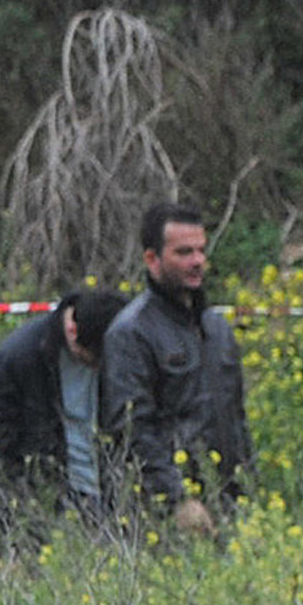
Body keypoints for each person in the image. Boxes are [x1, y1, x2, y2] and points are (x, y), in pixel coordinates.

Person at [101, 202, 247, 532]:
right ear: (152, 259)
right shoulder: (131, 332)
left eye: (200, 251)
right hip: (167, 514)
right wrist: (175, 498)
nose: (197, 262)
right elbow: (131, 429)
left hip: (227, 502)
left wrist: (247, 486)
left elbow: (236, 418)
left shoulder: (216, 328)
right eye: (183, 252)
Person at [0, 289, 124, 545]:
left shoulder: (125, 341)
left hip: (115, 500)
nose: (99, 366)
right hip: (50, 503)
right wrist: (10, 532)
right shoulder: (19, 357)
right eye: (92, 360)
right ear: (73, 333)